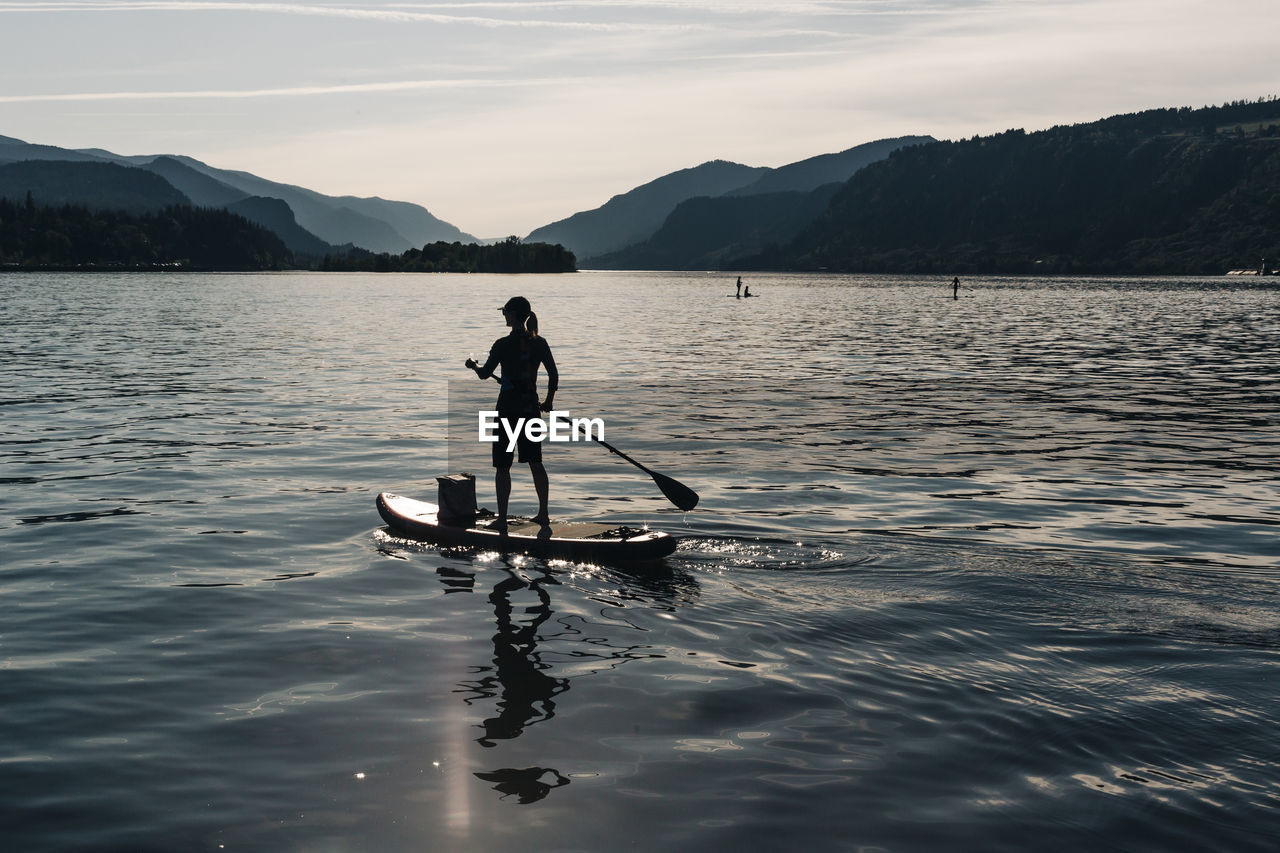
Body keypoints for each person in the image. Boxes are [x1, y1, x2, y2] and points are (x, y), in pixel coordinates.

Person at [465, 296, 558, 533]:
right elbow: (553, 374)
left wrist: (473, 365)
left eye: (505, 312)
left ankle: (502, 519)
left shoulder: (502, 345)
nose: (503, 315)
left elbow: (485, 374)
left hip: (507, 412)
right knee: (536, 463)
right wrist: (548, 401)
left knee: (503, 467)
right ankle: (544, 514)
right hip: (530, 412)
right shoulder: (540, 343)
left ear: (514, 315)